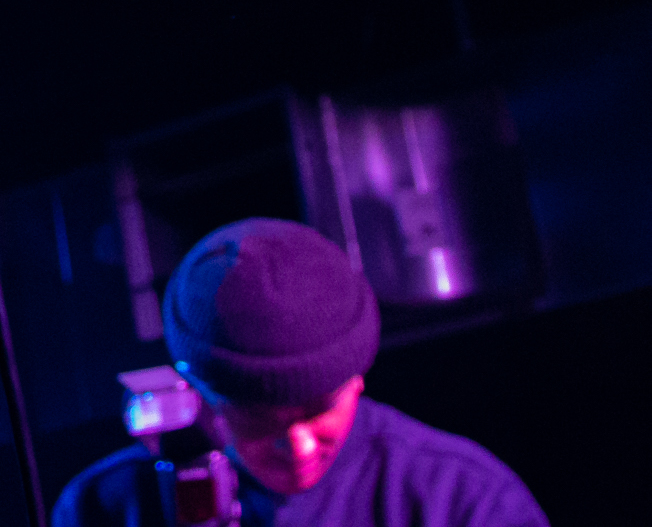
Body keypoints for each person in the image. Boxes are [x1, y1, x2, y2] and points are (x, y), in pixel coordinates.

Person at [54, 218, 547, 526]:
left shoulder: (462, 499)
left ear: (357, 380)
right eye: (259, 419)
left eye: (320, 410)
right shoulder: (105, 508)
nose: (299, 446)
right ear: (197, 394)